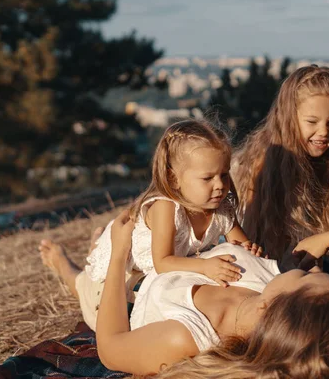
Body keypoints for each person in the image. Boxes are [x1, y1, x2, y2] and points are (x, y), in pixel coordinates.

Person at [39, 210, 329, 377]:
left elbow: (109, 347)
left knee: (89, 284)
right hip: (180, 259)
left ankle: (67, 269)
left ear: (274, 305)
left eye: (308, 277)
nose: (312, 268)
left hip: (125, 295)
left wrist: (119, 252)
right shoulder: (324, 315)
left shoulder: (185, 337)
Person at [40, 119, 258, 330]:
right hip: (123, 273)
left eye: (224, 174)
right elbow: (163, 262)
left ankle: (97, 244)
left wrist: (250, 250)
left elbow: (240, 245)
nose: (220, 185)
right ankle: (63, 263)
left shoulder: (222, 207)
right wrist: (205, 266)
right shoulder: (166, 207)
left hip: (149, 276)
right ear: (174, 179)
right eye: (207, 178)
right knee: (86, 293)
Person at [232, 65, 329, 265]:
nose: (323, 132)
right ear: (289, 119)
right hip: (267, 257)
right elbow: (250, 234)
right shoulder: (265, 161)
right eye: (312, 121)